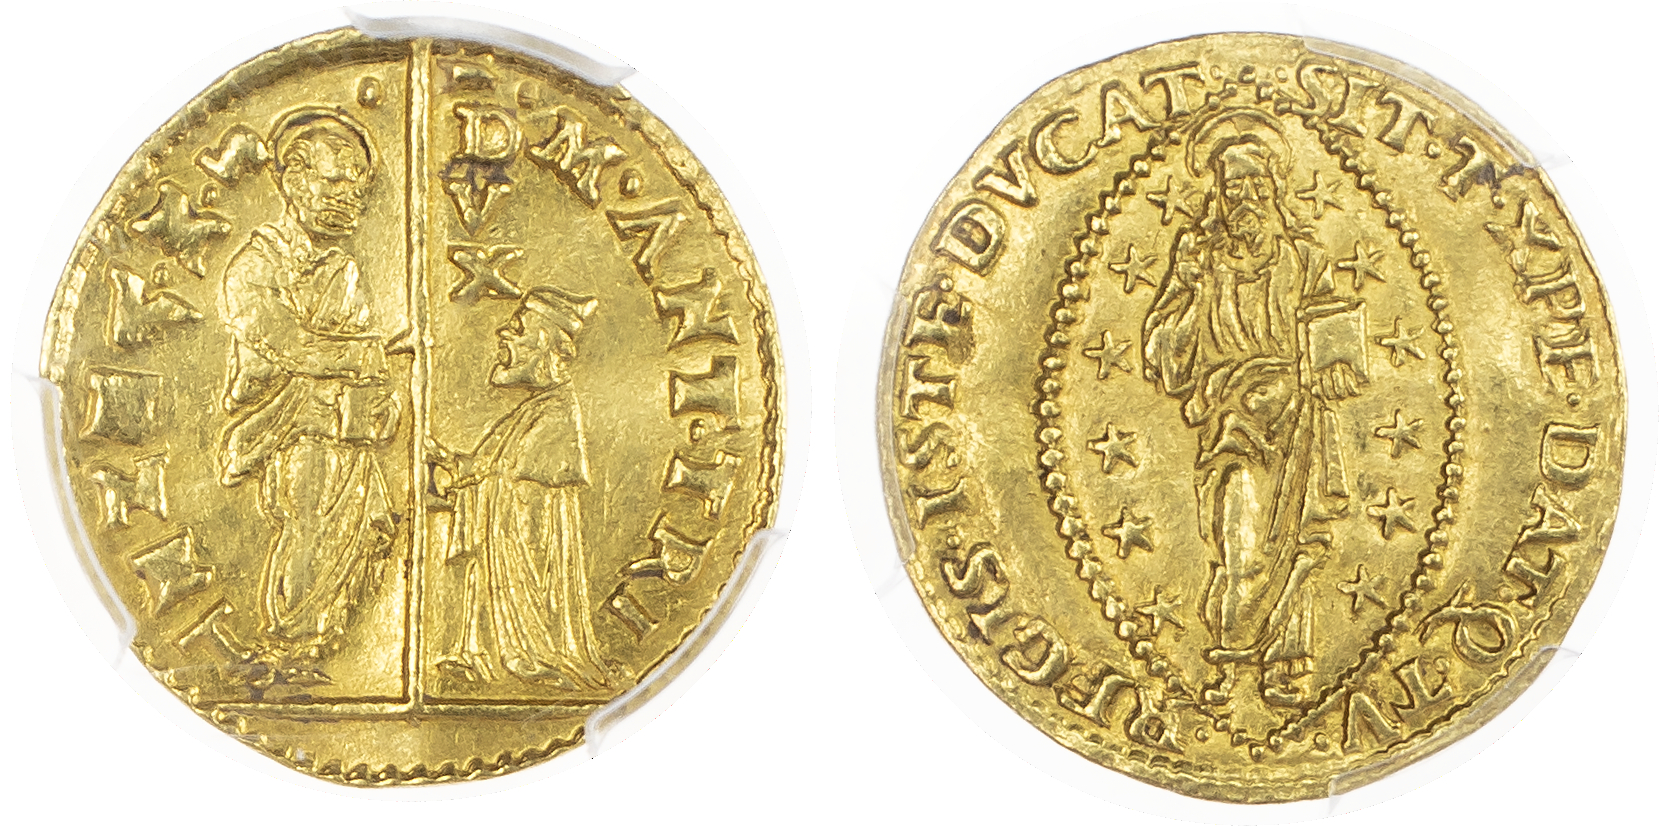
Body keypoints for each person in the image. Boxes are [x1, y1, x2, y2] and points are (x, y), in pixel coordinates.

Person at [1141, 109, 1366, 708]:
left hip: (1297, 419)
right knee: (1241, 542)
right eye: (1233, 185)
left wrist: (1334, 369)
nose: (1245, 197)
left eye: (1255, 185)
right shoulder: (1198, 260)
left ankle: (1286, 666)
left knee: (1295, 543)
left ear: (1272, 190)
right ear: (1218, 195)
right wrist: (1191, 289)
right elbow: (1164, 354)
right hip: (1232, 422)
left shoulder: (1304, 259)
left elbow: (1334, 336)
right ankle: (1232, 654)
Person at [218, 108, 399, 684]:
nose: (350, 199)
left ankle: (319, 644)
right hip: (291, 430)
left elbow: (366, 367)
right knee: (308, 529)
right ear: (295, 180)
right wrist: (366, 355)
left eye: (358, 190)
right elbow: (291, 345)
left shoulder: (344, 270)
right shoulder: (252, 266)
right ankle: (288, 644)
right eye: (336, 181)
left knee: (358, 533)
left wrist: (383, 399)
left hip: (347, 432)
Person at [432, 286, 614, 690]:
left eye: (518, 328)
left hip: (523, 554)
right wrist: (447, 460)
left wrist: (467, 476)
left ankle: (529, 653)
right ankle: (479, 649)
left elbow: (507, 480)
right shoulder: (531, 411)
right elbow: (491, 468)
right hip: (503, 546)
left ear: (545, 345)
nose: (504, 334)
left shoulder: (555, 413)